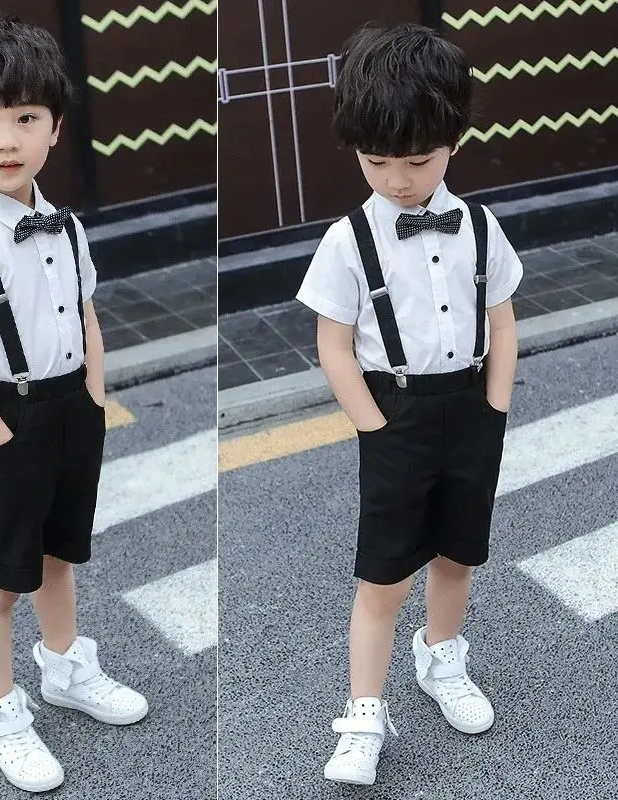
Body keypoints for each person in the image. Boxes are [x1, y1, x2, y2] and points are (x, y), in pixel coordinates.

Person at [0, 13, 147, 793]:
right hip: (5, 420)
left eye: (25, 117)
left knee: (58, 555)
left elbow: (86, 315)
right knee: (0, 579)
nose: (6, 138)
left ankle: (66, 669)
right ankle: (1, 712)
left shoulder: (67, 228)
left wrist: (94, 395)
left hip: (71, 411)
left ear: (55, 128)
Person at [296, 23, 522, 786]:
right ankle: (365, 712)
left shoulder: (480, 227)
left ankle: (442, 657)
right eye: (376, 161)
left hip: (470, 408)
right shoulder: (347, 241)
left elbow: (502, 322)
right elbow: (333, 344)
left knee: (459, 553)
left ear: (454, 140)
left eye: (418, 161)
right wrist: (373, 425)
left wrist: (494, 411)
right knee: (384, 574)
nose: (397, 180)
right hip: (394, 415)